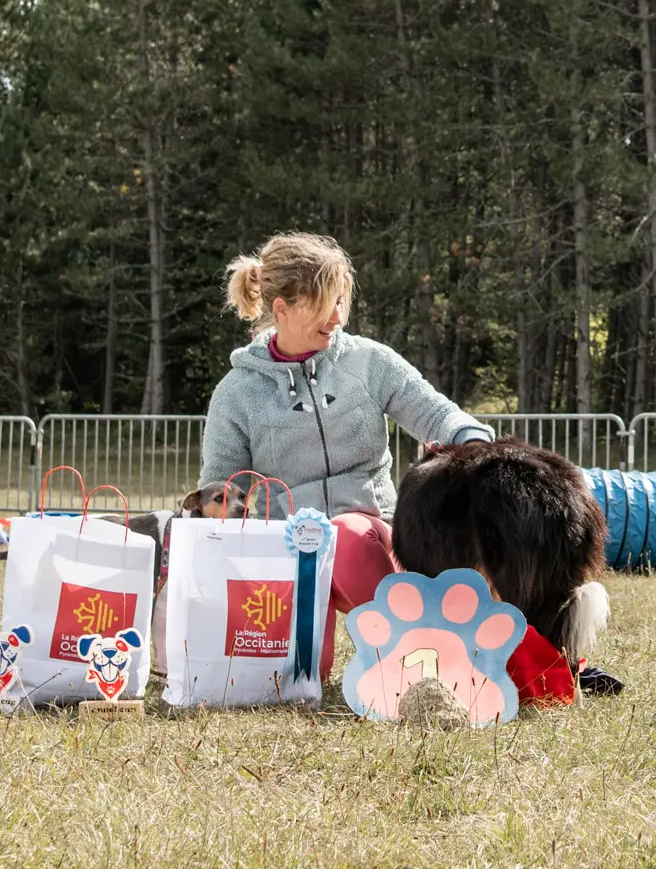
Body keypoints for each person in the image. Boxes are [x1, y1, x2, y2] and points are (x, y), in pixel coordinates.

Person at [200, 232, 493, 677]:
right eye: (324, 305)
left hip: (373, 536)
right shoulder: (236, 393)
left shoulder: (370, 362)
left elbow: (437, 414)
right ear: (282, 308)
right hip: (289, 553)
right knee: (296, 678)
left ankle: (418, 656)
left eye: (342, 302)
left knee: (349, 536)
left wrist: (475, 445)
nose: (338, 317)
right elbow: (220, 490)